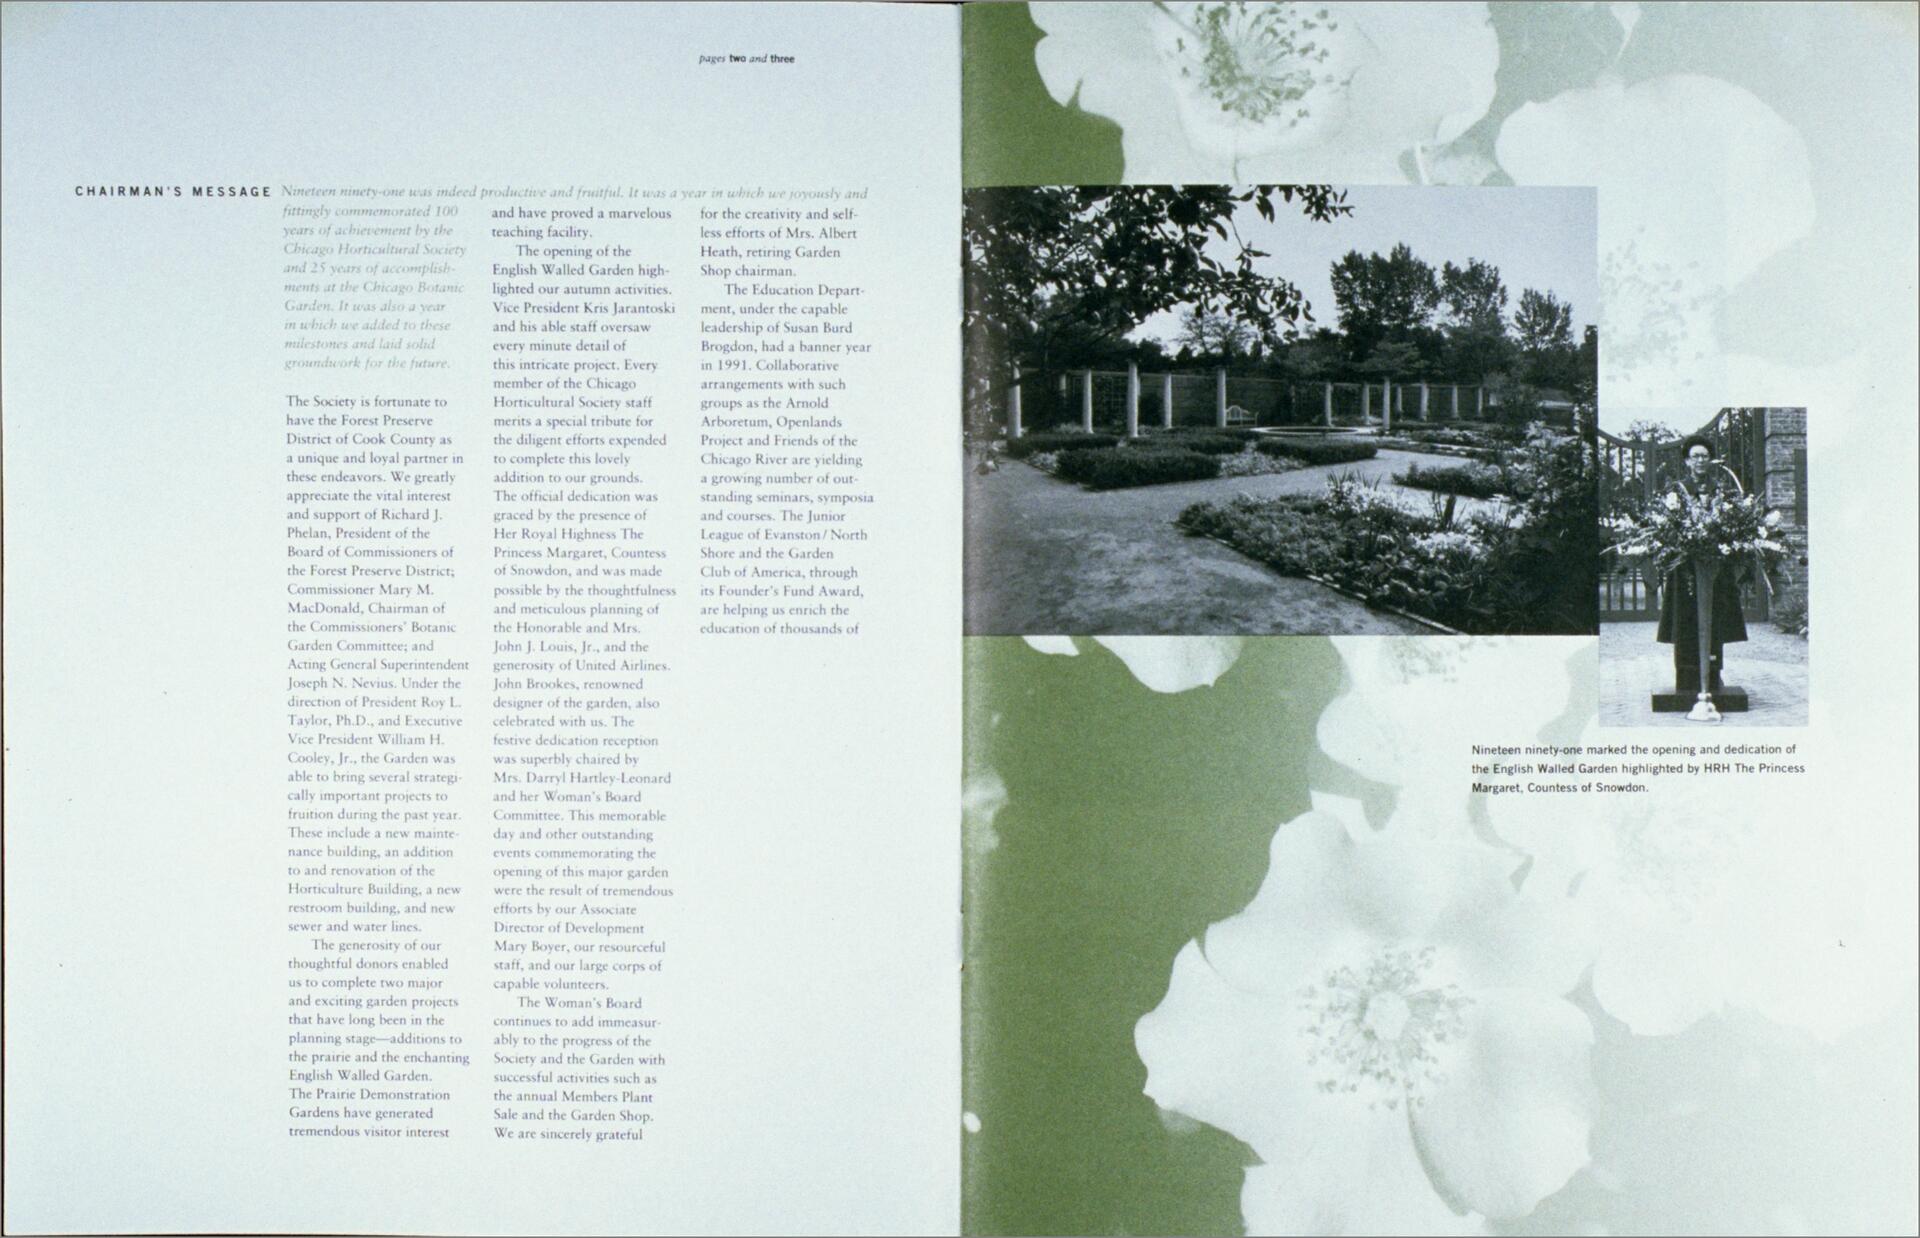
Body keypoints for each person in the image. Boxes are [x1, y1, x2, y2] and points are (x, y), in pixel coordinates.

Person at [1655, 435, 1747, 694]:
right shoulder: (1676, 490)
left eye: (1704, 456)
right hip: (1685, 569)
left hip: (1714, 568)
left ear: (1710, 460)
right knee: (1685, 620)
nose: (1700, 461)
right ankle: (1686, 678)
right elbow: (1667, 524)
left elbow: (1732, 521)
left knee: (1714, 620)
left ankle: (1713, 675)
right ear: (1687, 461)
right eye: (1695, 456)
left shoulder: (1720, 489)